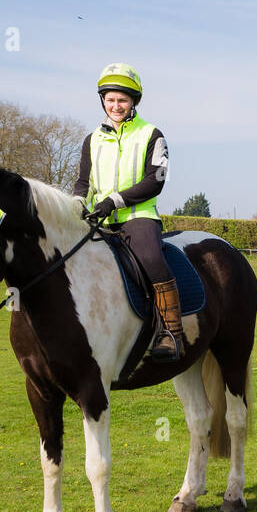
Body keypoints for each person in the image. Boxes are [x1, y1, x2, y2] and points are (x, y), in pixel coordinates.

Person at [73, 62, 183, 362]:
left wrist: (114, 201)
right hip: (99, 219)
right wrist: (77, 207)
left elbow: (155, 181)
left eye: (122, 100)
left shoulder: (152, 134)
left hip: (138, 218)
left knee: (151, 257)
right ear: (103, 101)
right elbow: (83, 182)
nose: (116, 105)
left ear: (133, 101)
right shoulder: (92, 140)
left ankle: (170, 332)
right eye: (110, 99)